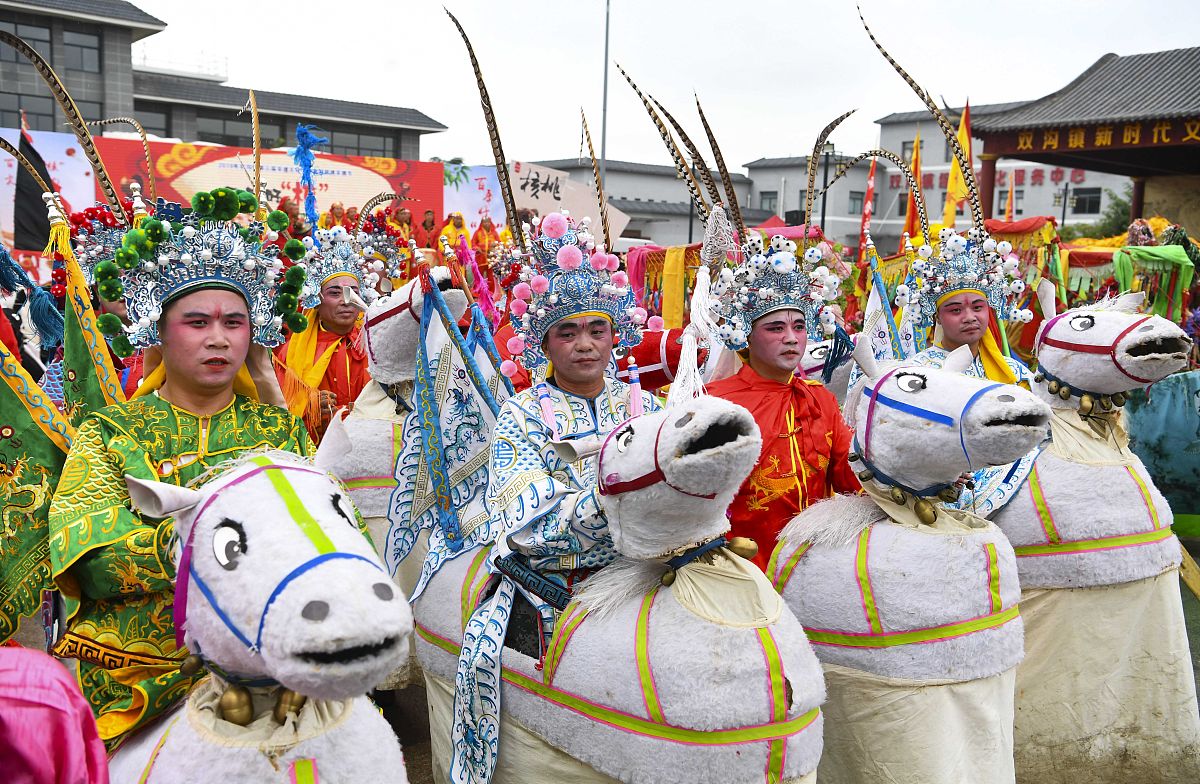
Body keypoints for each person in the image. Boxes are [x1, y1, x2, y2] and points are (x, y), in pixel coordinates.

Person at [48, 187, 313, 749]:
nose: (218, 338)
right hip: (137, 674)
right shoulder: (112, 433)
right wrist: (234, 551)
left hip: (271, 669)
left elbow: (329, 540)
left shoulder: (279, 433)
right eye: (197, 321)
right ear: (159, 332)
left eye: (235, 322)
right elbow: (90, 554)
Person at [451, 211, 655, 773]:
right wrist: (610, 503)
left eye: (597, 330)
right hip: (553, 584)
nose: (585, 345)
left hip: (648, 574)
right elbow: (523, 520)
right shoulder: (520, 414)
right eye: (567, 332)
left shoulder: (651, 407)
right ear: (544, 343)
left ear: (618, 335)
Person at [707, 236, 860, 569]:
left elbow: (853, 476)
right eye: (776, 328)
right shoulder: (716, 404)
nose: (791, 338)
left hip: (815, 568)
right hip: (741, 568)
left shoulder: (820, 399)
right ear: (746, 334)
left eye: (800, 326)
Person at [275, 228, 372, 441]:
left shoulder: (375, 346)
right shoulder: (289, 353)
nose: (346, 301)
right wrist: (309, 407)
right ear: (316, 300)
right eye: (335, 293)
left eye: (354, 292)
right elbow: (275, 410)